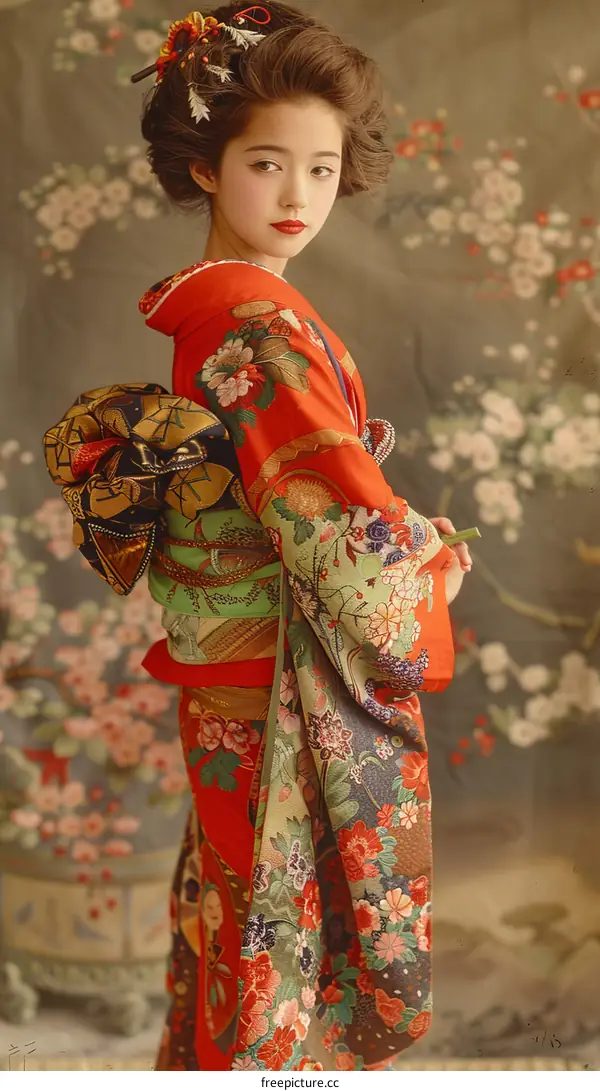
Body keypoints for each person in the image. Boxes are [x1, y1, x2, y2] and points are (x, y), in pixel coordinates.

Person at [43, 1, 473, 1072]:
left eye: (320, 171)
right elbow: (331, 520)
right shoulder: (255, 324)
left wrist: (404, 533)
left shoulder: (223, 311)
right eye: (267, 164)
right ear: (205, 168)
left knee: (239, 918)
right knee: (273, 938)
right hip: (269, 680)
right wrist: (426, 574)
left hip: (234, 677)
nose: (296, 197)